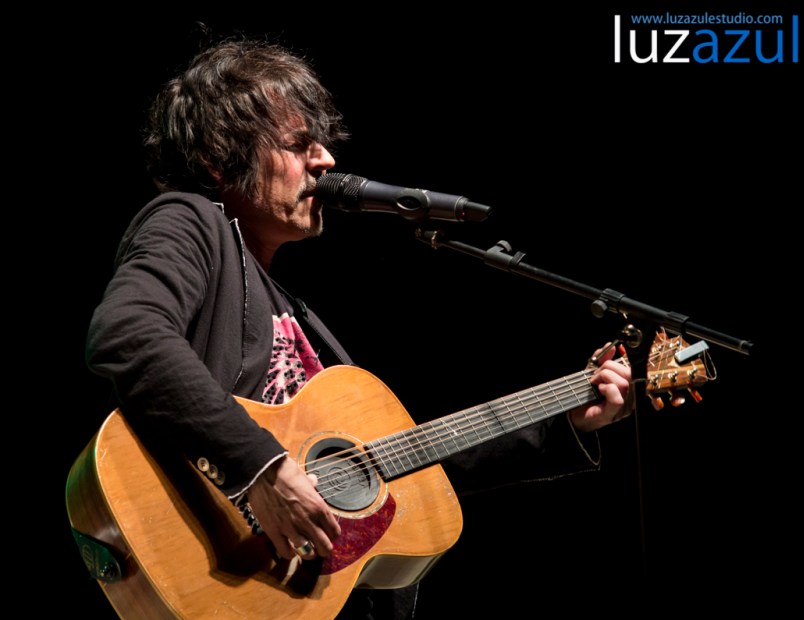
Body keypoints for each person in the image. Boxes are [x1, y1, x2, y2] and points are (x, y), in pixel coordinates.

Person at [81, 36, 634, 619]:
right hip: (222, 561)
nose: (325, 160)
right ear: (220, 158)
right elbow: (128, 333)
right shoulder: (190, 221)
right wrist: (261, 468)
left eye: (321, 144)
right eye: (299, 144)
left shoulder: (292, 309)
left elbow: (403, 469)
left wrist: (565, 418)